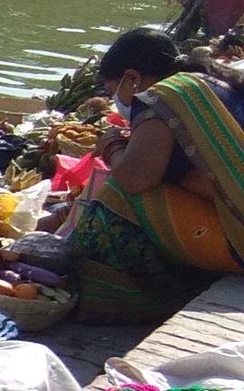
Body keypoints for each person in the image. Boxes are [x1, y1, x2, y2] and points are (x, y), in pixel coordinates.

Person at [69, 27, 244, 316]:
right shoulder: (212, 82)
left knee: (114, 195)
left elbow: (136, 178)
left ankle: (109, 294)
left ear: (132, 78)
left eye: (115, 92)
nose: (116, 101)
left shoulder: (162, 97)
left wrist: (112, 144)